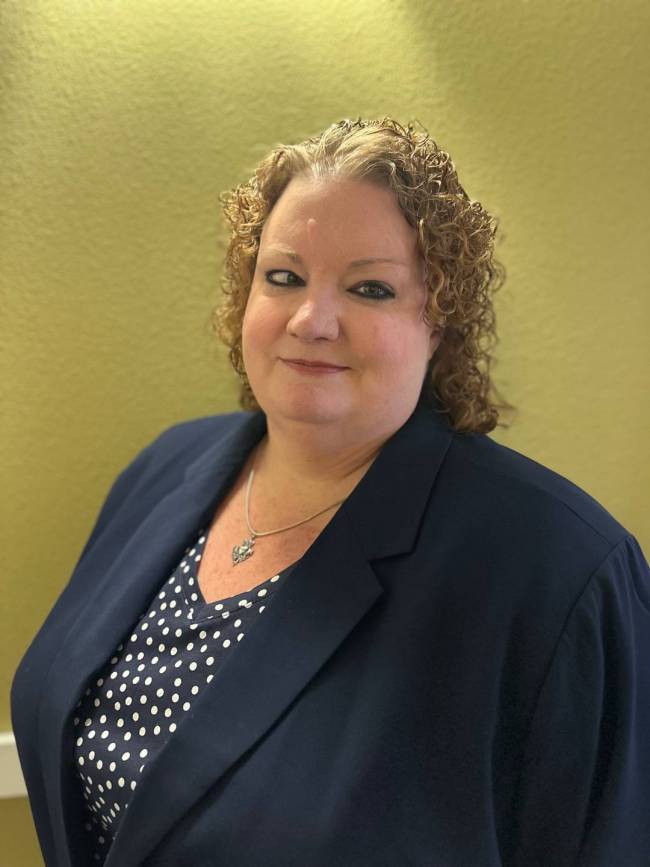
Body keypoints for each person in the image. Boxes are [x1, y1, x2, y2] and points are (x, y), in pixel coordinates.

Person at [11, 116, 650, 867]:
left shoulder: (564, 574)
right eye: (283, 276)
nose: (313, 320)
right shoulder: (163, 469)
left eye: (370, 288)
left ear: (439, 321)